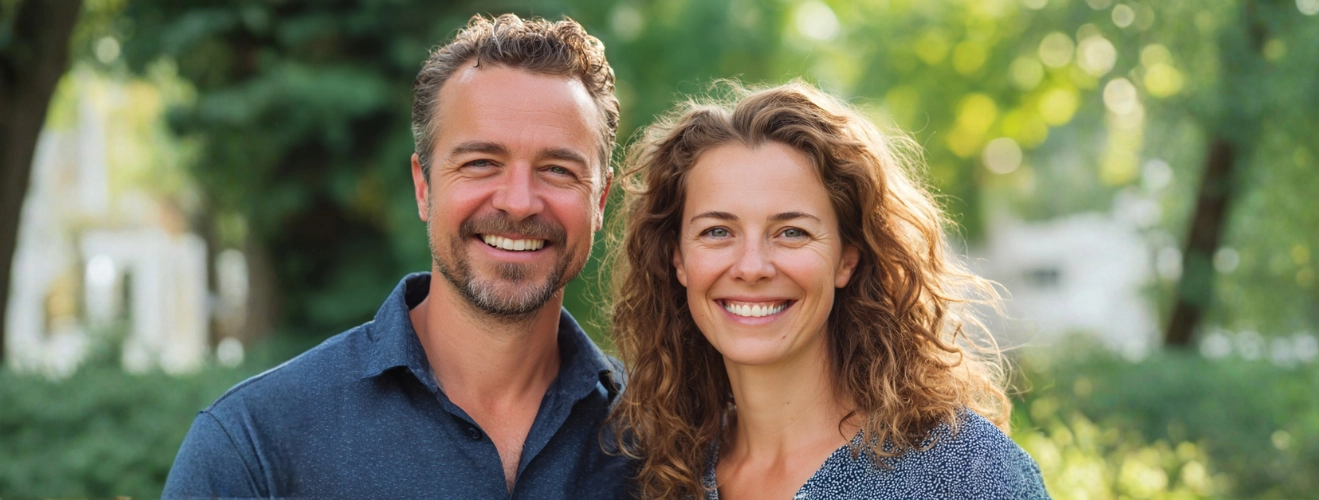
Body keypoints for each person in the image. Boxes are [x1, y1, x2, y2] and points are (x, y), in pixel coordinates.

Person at [163, 14, 634, 498]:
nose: (517, 201)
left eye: (557, 170)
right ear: (423, 186)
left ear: (599, 201)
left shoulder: (667, 443)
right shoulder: (254, 445)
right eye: (480, 163)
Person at [606, 81, 1049, 499]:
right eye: (718, 231)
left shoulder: (968, 473)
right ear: (677, 258)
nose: (752, 267)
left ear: (847, 258)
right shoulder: (657, 477)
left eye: (792, 232)